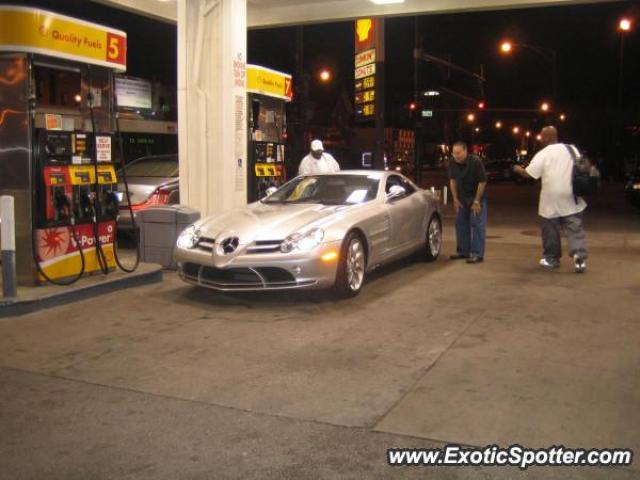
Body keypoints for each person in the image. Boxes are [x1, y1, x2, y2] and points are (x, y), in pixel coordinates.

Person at [513, 126, 588, 273]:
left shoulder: (544, 153)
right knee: (574, 229)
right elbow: (582, 167)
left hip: (550, 199)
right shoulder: (572, 149)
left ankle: (551, 259)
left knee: (550, 231)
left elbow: (530, 174)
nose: (540, 139)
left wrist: (517, 169)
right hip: (571, 196)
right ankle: (579, 255)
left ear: (547, 137)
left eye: (541, 137)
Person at [448, 141, 488, 264]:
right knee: (460, 224)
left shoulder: (475, 162)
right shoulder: (452, 162)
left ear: (465, 151)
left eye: (458, 153)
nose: (456, 156)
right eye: (454, 153)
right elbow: (452, 181)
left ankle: (477, 254)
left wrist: (476, 200)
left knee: (477, 225)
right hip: (462, 198)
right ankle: (463, 251)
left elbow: (482, 182)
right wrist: (455, 199)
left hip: (476, 197)